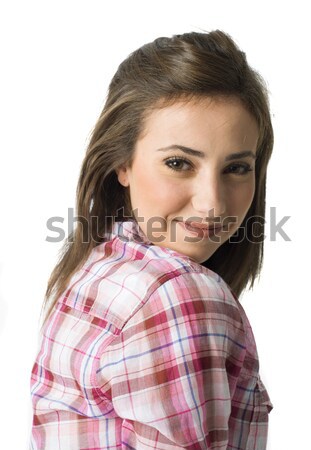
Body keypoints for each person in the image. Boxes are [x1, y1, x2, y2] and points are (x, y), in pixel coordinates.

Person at [30, 30, 274, 450]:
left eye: (236, 168)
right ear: (121, 162)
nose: (212, 203)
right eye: (179, 163)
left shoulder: (103, 265)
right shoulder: (174, 294)